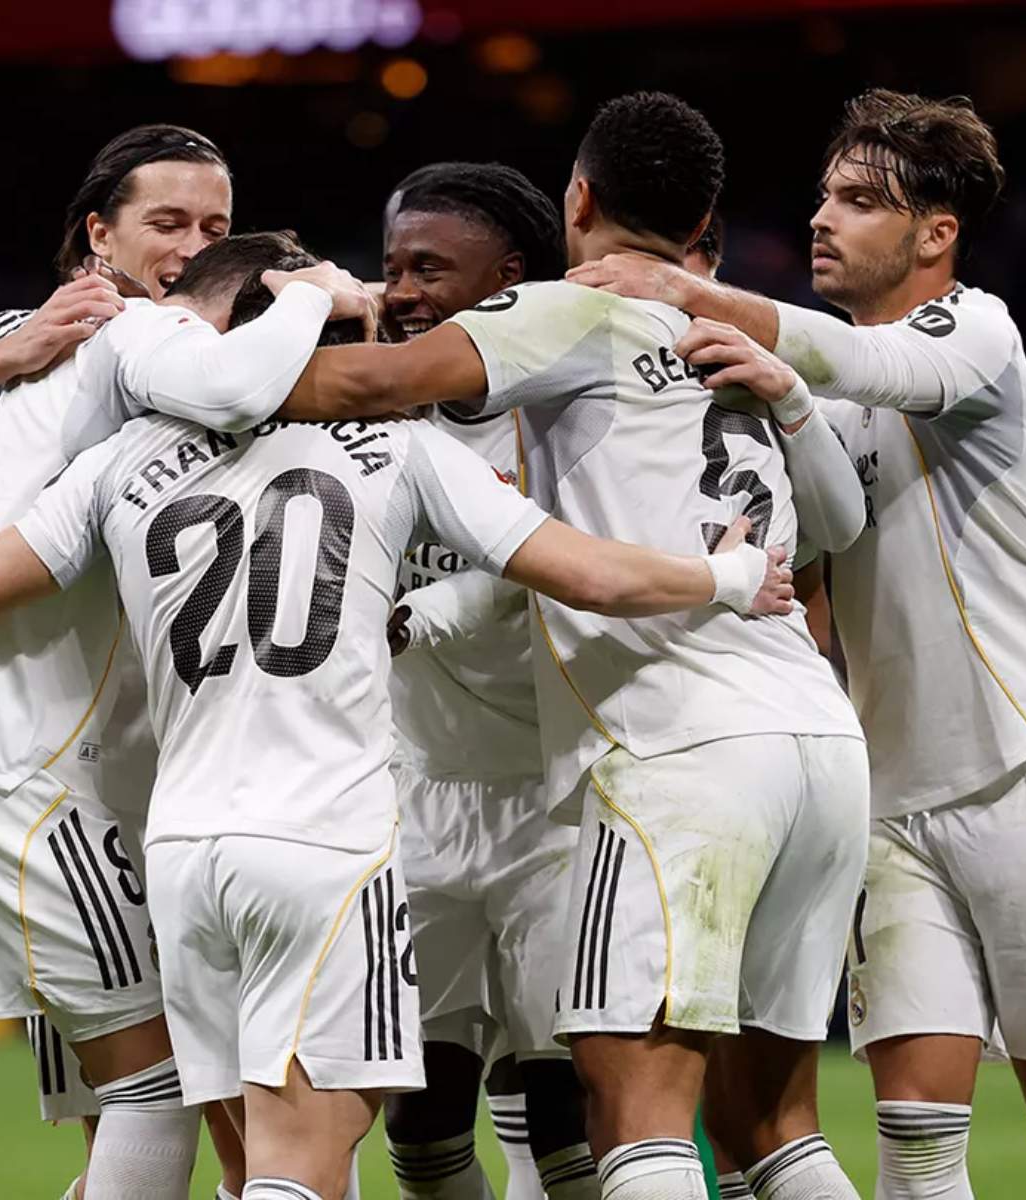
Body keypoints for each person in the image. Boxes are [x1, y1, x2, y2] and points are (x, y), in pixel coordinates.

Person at [0, 231, 799, 1200]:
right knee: (305, 1161)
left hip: (184, 858)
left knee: (247, 1158)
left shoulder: (119, 463)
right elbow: (589, 575)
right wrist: (726, 575)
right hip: (322, 845)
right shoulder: (400, 448)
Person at [276, 91, 873, 1200]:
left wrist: (208, 365)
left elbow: (373, 383)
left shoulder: (568, 313)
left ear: (579, 200)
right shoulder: (726, 336)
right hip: (815, 740)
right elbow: (840, 526)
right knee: (770, 1129)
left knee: (631, 1121)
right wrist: (795, 397)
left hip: (677, 750)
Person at [569, 88, 1026, 1199]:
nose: (821, 218)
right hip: (890, 794)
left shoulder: (976, 334)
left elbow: (878, 366)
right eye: (823, 195)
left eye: (858, 200)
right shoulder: (816, 402)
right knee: (912, 1139)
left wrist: (689, 289)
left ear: (935, 234)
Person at [0, 121, 370, 1199]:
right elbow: (238, 390)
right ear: (97, 235)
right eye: (167, 222)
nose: (196, 247)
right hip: (4, 769)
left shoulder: (7, 332)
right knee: (159, 1086)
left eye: (216, 225)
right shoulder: (137, 334)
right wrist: (312, 294)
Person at [373, 161, 590, 1200]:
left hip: (553, 802)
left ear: (507, 280)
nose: (402, 290)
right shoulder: (373, 411)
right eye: (392, 268)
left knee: (565, 1122)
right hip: (416, 797)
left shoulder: (560, 415)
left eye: (429, 268)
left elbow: (542, 564)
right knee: (418, 1133)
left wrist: (415, 617)